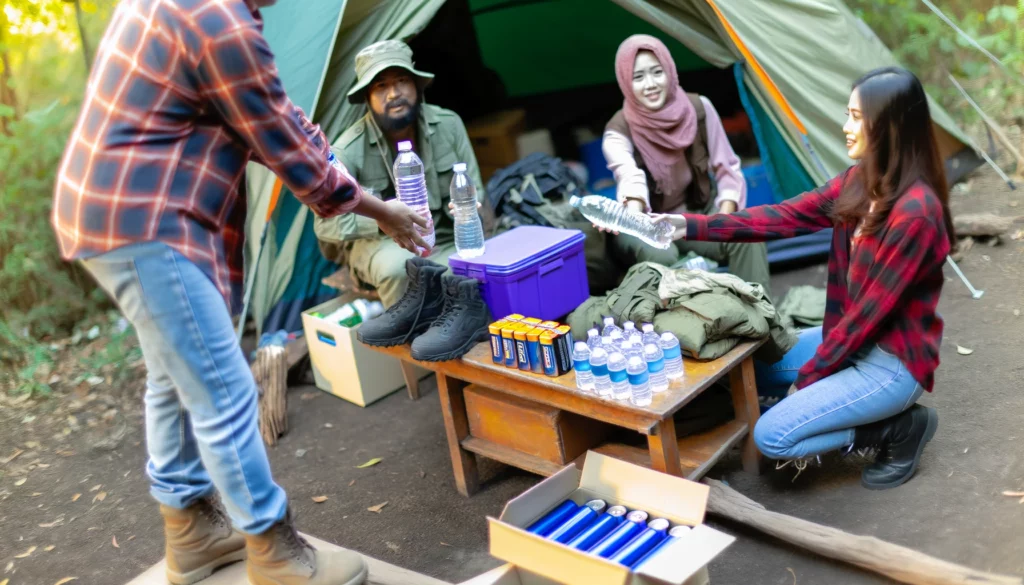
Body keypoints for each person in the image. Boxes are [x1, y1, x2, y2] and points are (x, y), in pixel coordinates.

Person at [52, 2, 428, 584]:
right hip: (145, 223)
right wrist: (384, 212)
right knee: (223, 389)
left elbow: (276, 116)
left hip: (112, 214)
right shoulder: (217, 20)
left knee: (171, 376)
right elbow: (285, 146)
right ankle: (275, 551)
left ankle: (192, 531)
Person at [652, 66, 952, 490]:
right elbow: (782, 217)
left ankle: (897, 429)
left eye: (856, 117)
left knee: (773, 436)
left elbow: (864, 318)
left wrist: (808, 379)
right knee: (756, 366)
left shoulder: (916, 214)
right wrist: (688, 226)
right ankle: (833, 405)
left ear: (889, 127)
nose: (846, 127)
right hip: (849, 343)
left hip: (891, 363)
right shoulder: (860, 181)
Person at [314, 40, 486, 308]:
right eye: (381, 86)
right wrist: (380, 217)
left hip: (444, 234)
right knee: (401, 268)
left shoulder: (448, 124)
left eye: (402, 81)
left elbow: (475, 186)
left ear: (416, 86)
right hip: (382, 244)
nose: (394, 93)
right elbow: (324, 224)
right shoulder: (347, 149)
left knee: (482, 262)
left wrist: (468, 205)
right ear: (367, 97)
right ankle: (412, 343)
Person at [602, 34, 771, 297]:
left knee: (745, 233)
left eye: (657, 72)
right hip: (645, 225)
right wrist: (633, 215)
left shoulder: (699, 108)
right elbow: (628, 174)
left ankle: (760, 318)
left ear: (670, 70)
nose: (650, 84)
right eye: (638, 77)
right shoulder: (617, 131)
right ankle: (688, 329)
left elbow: (727, 167)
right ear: (625, 82)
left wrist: (724, 219)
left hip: (693, 217)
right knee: (661, 254)